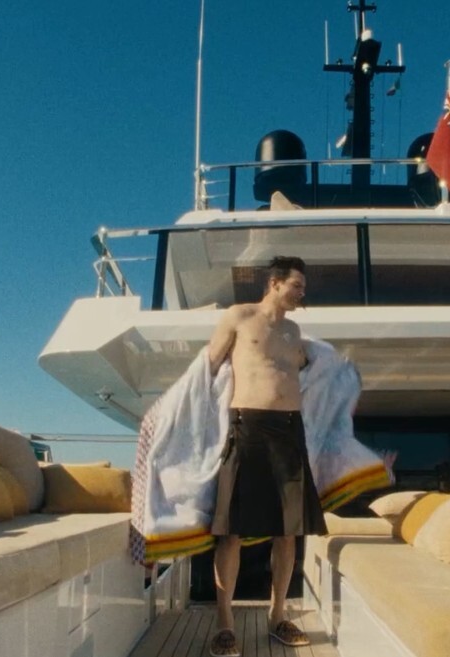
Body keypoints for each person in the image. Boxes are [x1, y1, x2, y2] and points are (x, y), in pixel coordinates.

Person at [203, 255, 324, 656]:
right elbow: (208, 369)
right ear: (275, 283)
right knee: (231, 530)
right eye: (297, 286)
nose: (302, 293)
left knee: (288, 530)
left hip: (290, 430)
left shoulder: (293, 330)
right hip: (247, 427)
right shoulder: (238, 316)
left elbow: (306, 370)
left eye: (303, 287)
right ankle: (225, 624)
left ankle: (277, 616)